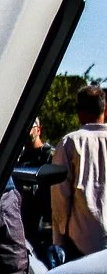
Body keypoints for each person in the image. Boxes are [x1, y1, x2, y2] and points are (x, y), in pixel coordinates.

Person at [53, 86, 107, 261]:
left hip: (81, 241)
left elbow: (60, 195)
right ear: (105, 109)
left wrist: (60, 237)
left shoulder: (70, 143)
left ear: (79, 112)